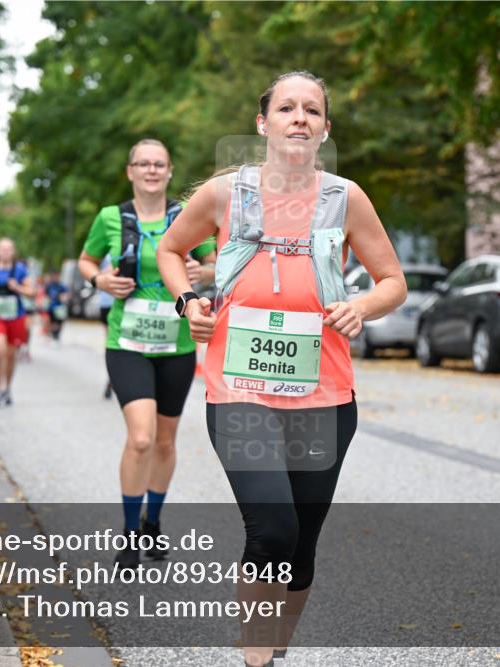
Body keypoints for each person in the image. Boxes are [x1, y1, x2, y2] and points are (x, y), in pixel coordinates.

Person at [157, 71, 406, 667]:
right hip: (239, 386)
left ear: (324, 130)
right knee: (272, 529)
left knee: (302, 547)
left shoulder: (345, 198)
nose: (300, 117)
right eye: (287, 108)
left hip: (324, 392)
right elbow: (170, 248)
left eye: (312, 110)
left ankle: (275, 647)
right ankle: (255, 659)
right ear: (262, 122)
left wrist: (361, 306)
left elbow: (392, 281)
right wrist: (189, 301)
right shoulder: (225, 193)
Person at [78, 138, 216, 570]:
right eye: (144, 163)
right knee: (141, 438)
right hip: (128, 342)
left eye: (160, 164)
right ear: (130, 171)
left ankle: (153, 522)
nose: (152, 170)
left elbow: (216, 264)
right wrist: (100, 280)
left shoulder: (187, 214)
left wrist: (202, 271)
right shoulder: (109, 218)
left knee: (165, 440)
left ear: (170, 171)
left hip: (176, 343)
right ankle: (129, 533)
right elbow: (86, 261)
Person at [0, 238, 36, 407]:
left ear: (13, 252)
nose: (5, 251)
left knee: (11, 356)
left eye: (9, 249)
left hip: (15, 316)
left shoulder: (20, 270)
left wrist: (17, 287)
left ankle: (8, 388)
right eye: (2, 249)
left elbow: (32, 292)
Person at [97, 256, 115, 399]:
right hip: (107, 303)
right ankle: (111, 378)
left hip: (127, 301)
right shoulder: (109, 245)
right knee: (111, 342)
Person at [44, 271, 69, 347]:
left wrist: (63, 297)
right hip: (51, 307)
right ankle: (54, 336)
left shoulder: (62, 286)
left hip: (59, 308)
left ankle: (56, 337)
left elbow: (66, 295)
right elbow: (46, 295)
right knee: (52, 323)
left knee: (58, 323)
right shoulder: (50, 286)